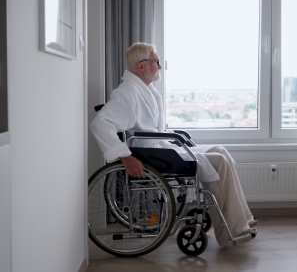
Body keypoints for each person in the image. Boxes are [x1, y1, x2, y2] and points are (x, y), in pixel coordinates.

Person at [90, 42, 257, 246]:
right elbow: (100, 123)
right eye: (156, 62)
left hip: (159, 148)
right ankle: (231, 230)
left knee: (221, 151)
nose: (160, 66)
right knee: (218, 160)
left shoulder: (144, 89)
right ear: (141, 66)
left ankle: (242, 220)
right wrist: (126, 157)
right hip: (150, 154)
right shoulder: (127, 92)